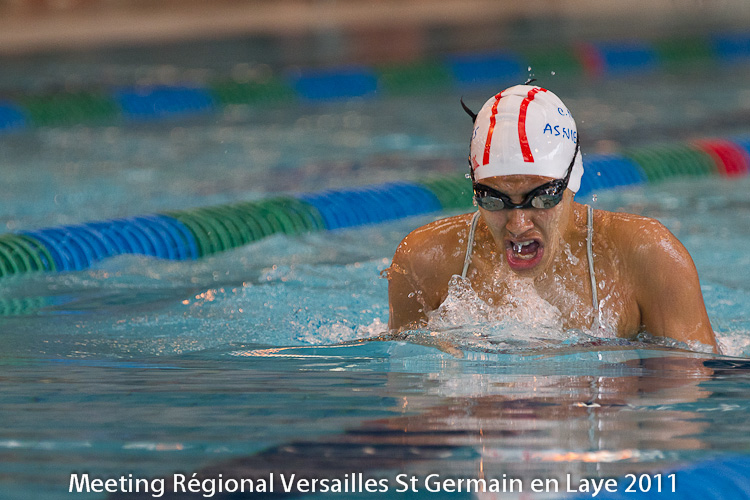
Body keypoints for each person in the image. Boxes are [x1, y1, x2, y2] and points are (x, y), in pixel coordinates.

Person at [387, 84, 719, 352]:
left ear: (572, 181)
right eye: (494, 199)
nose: (518, 224)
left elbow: (686, 395)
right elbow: (406, 382)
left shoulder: (647, 256)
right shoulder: (425, 260)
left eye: (542, 198)